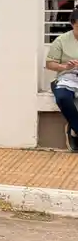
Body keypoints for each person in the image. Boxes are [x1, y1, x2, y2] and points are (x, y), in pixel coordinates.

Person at [45, 8, 78, 150]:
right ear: (72, 24)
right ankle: (76, 129)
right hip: (67, 76)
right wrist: (65, 66)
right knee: (63, 97)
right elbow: (50, 64)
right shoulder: (61, 40)